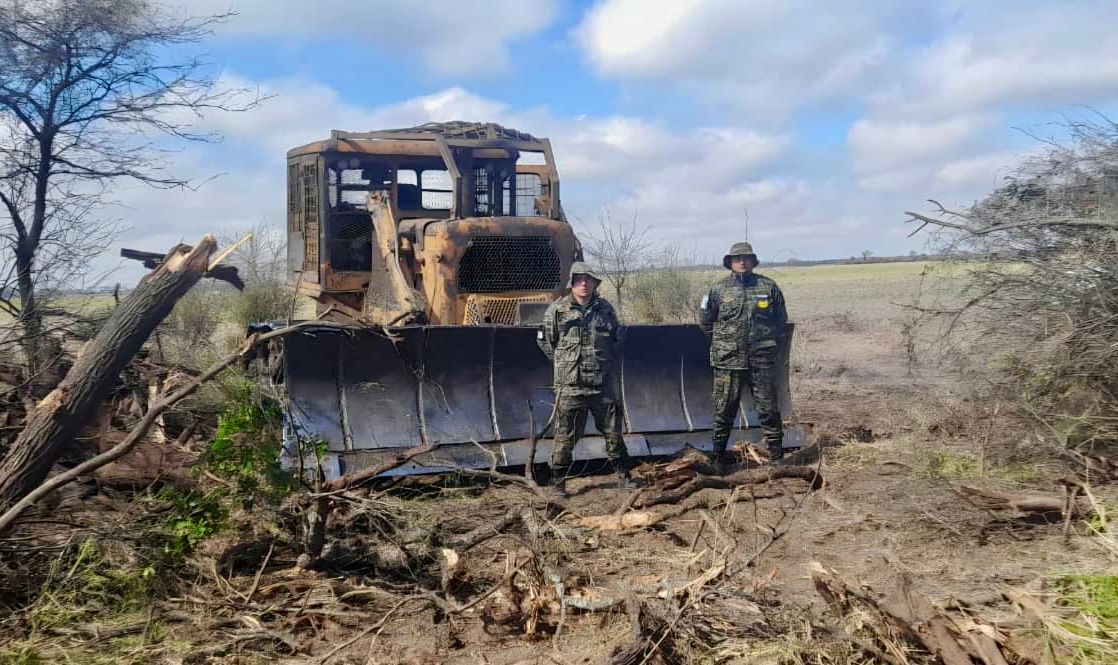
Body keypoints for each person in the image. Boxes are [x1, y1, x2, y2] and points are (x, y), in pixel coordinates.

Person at [537, 262, 636, 496]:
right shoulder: (557, 310)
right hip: (571, 388)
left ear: (594, 284)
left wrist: (603, 363)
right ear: (572, 282)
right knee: (565, 438)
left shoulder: (605, 309)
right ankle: (558, 482)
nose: (584, 283)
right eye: (579, 279)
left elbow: (617, 340)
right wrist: (565, 363)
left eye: (588, 279)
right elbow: (546, 341)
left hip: (601, 386)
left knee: (614, 434)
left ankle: (624, 476)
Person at [699, 242, 789, 470]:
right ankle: (718, 458)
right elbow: (706, 322)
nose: (741, 262)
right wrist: (726, 343)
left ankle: (777, 457)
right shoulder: (718, 290)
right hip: (729, 361)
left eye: (746, 258)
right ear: (730, 262)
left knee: (768, 409)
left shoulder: (768, 286)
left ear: (753, 261)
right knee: (724, 411)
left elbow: (781, 321)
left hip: (761, 360)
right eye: (737, 258)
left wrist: (765, 342)